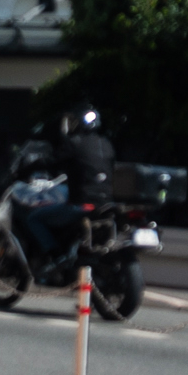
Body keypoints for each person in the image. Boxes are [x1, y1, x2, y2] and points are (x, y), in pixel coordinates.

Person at [17, 103, 115, 270]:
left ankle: (55, 256)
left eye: (73, 121)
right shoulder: (106, 145)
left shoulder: (74, 143)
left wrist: (28, 167)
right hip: (106, 204)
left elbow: (51, 161)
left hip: (82, 203)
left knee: (34, 219)